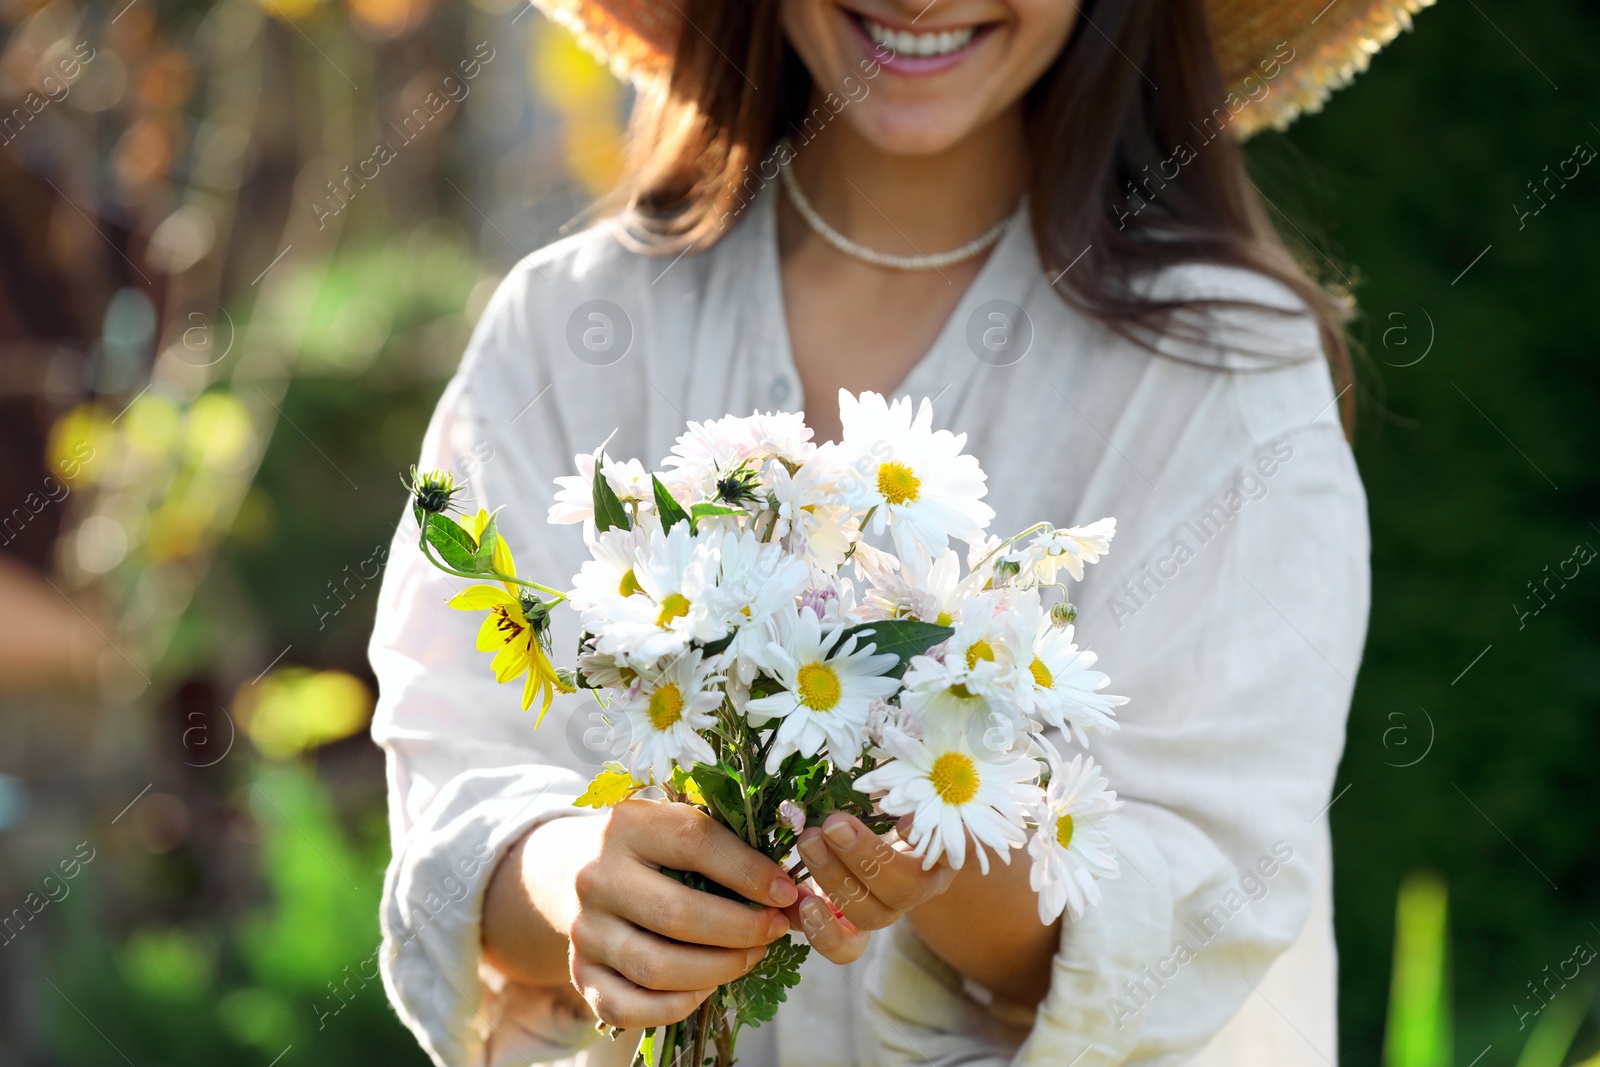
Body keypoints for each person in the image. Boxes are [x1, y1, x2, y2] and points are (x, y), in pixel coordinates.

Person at [371, 0, 1427, 1063]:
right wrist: (573, 878)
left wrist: (949, 839)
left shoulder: (1223, 375)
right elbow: (453, 778)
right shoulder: (570, 326)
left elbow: (1207, 901)